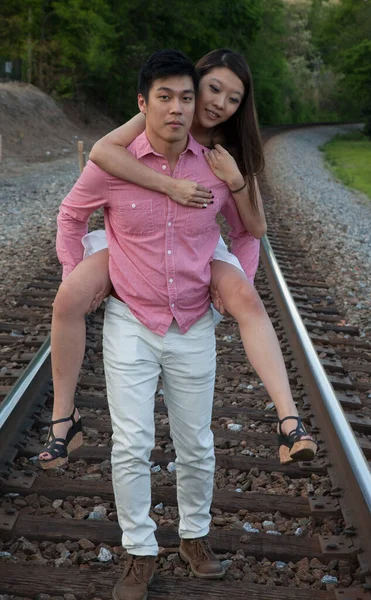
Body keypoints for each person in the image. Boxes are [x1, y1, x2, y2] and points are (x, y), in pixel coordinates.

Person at [39, 49, 317, 471]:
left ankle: (289, 420)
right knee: (70, 296)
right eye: (213, 89)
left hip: (199, 244)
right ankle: (64, 419)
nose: (218, 104)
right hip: (136, 240)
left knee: (246, 298)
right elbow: (102, 152)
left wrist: (237, 183)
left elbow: (252, 230)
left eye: (233, 99)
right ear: (193, 83)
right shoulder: (158, 115)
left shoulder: (228, 150)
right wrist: (169, 187)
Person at [54, 48, 261, 599]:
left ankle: (194, 538)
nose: (177, 108)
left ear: (195, 106)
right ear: (143, 103)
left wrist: (239, 280)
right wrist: (79, 275)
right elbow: (71, 215)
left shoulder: (216, 165)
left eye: (185, 98)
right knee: (131, 443)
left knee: (196, 443)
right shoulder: (116, 161)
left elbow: (247, 230)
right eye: (164, 97)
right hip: (131, 319)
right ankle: (139, 551)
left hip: (193, 320)